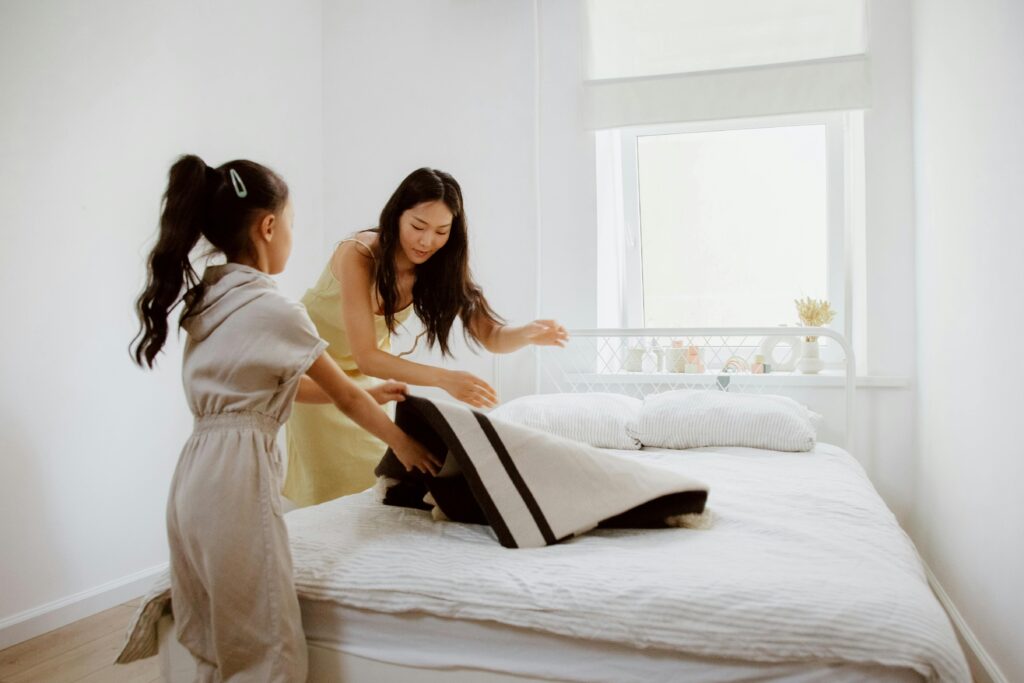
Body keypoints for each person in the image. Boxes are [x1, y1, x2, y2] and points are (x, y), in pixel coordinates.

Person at [131, 155, 439, 681]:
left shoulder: (208, 301)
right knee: (265, 641)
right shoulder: (274, 309)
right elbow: (344, 397)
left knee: (211, 631)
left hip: (191, 479)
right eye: (292, 223)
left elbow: (279, 386)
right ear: (269, 227)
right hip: (236, 480)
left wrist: (366, 387)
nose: (293, 235)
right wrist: (402, 443)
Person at [284, 167, 568, 507]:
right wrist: (443, 378)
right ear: (396, 215)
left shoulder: (437, 267)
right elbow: (367, 356)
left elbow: (491, 336)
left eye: (441, 231)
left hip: (368, 388)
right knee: (331, 490)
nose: (427, 241)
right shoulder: (359, 253)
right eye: (418, 226)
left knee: (376, 486)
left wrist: (527, 333)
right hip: (319, 376)